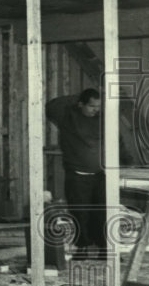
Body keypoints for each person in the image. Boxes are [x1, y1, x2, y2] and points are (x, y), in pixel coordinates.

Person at [46, 89, 107, 260]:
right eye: (92, 106)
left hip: (99, 175)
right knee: (80, 213)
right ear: (80, 104)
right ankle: (82, 248)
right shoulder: (67, 118)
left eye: (98, 106)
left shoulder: (102, 120)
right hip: (77, 175)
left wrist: (127, 161)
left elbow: (117, 140)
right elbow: (51, 106)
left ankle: (104, 248)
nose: (96, 110)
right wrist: (78, 96)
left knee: (101, 213)